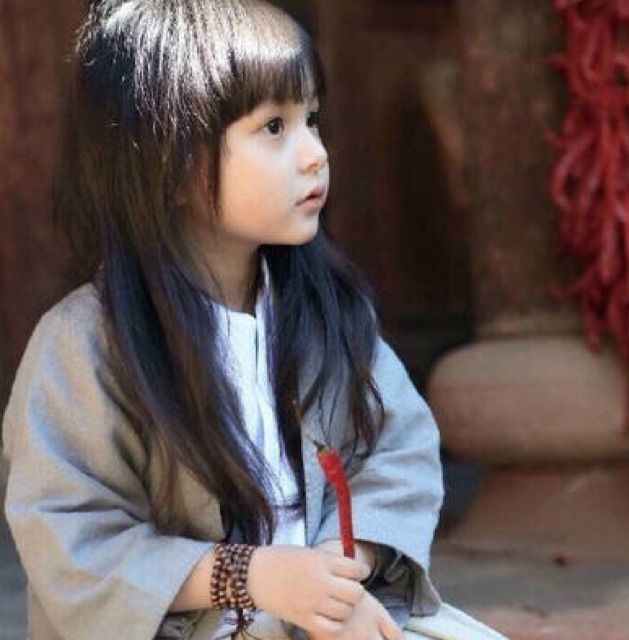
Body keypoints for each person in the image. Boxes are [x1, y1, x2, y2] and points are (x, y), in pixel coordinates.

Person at [2, 2, 508, 640]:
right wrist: (252, 576)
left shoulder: (328, 313)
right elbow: (71, 538)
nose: (314, 154)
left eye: (311, 119)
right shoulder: (82, 346)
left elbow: (397, 449)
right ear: (170, 164)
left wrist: (339, 574)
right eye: (274, 127)